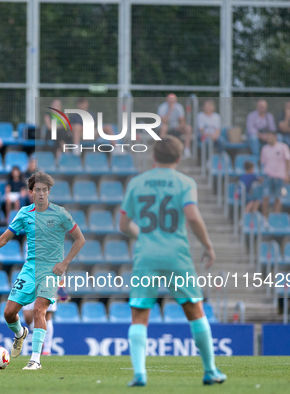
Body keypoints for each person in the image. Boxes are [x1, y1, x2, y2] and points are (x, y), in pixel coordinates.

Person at [119, 136, 225, 387]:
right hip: (177, 254)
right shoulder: (185, 182)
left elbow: (123, 225)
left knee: (139, 315)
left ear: (154, 156)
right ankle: (210, 370)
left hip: (146, 255)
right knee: (194, 310)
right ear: (178, 158)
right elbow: (192, 215)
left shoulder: (137, 182)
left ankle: (140, 374)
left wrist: (143, 236)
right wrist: (208, 245)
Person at [0, 172, 86, 370]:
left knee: (39, 310)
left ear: (48, 191)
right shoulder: (24, 213)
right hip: (30, 268)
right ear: (31, 192)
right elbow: (4, 239)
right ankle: (19, 334)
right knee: (9, 313)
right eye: (37, 190)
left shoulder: (60, 213)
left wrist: (65, 263)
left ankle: (35, 360)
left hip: (51, 270)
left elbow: (80, 239)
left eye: (44, 190)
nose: (41, 194)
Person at [260, 130, 290, 219]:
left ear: (275, 137)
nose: (268, 138)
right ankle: (264, 218)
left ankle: (276, 218)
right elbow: (263, 163)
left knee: (278, 198)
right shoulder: (264, 149)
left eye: (270, 136)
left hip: (280, 176)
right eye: (267, 137)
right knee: (265, 197)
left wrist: (287, 174)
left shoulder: (283, 147)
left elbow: (288, 161)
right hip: (268, 176)